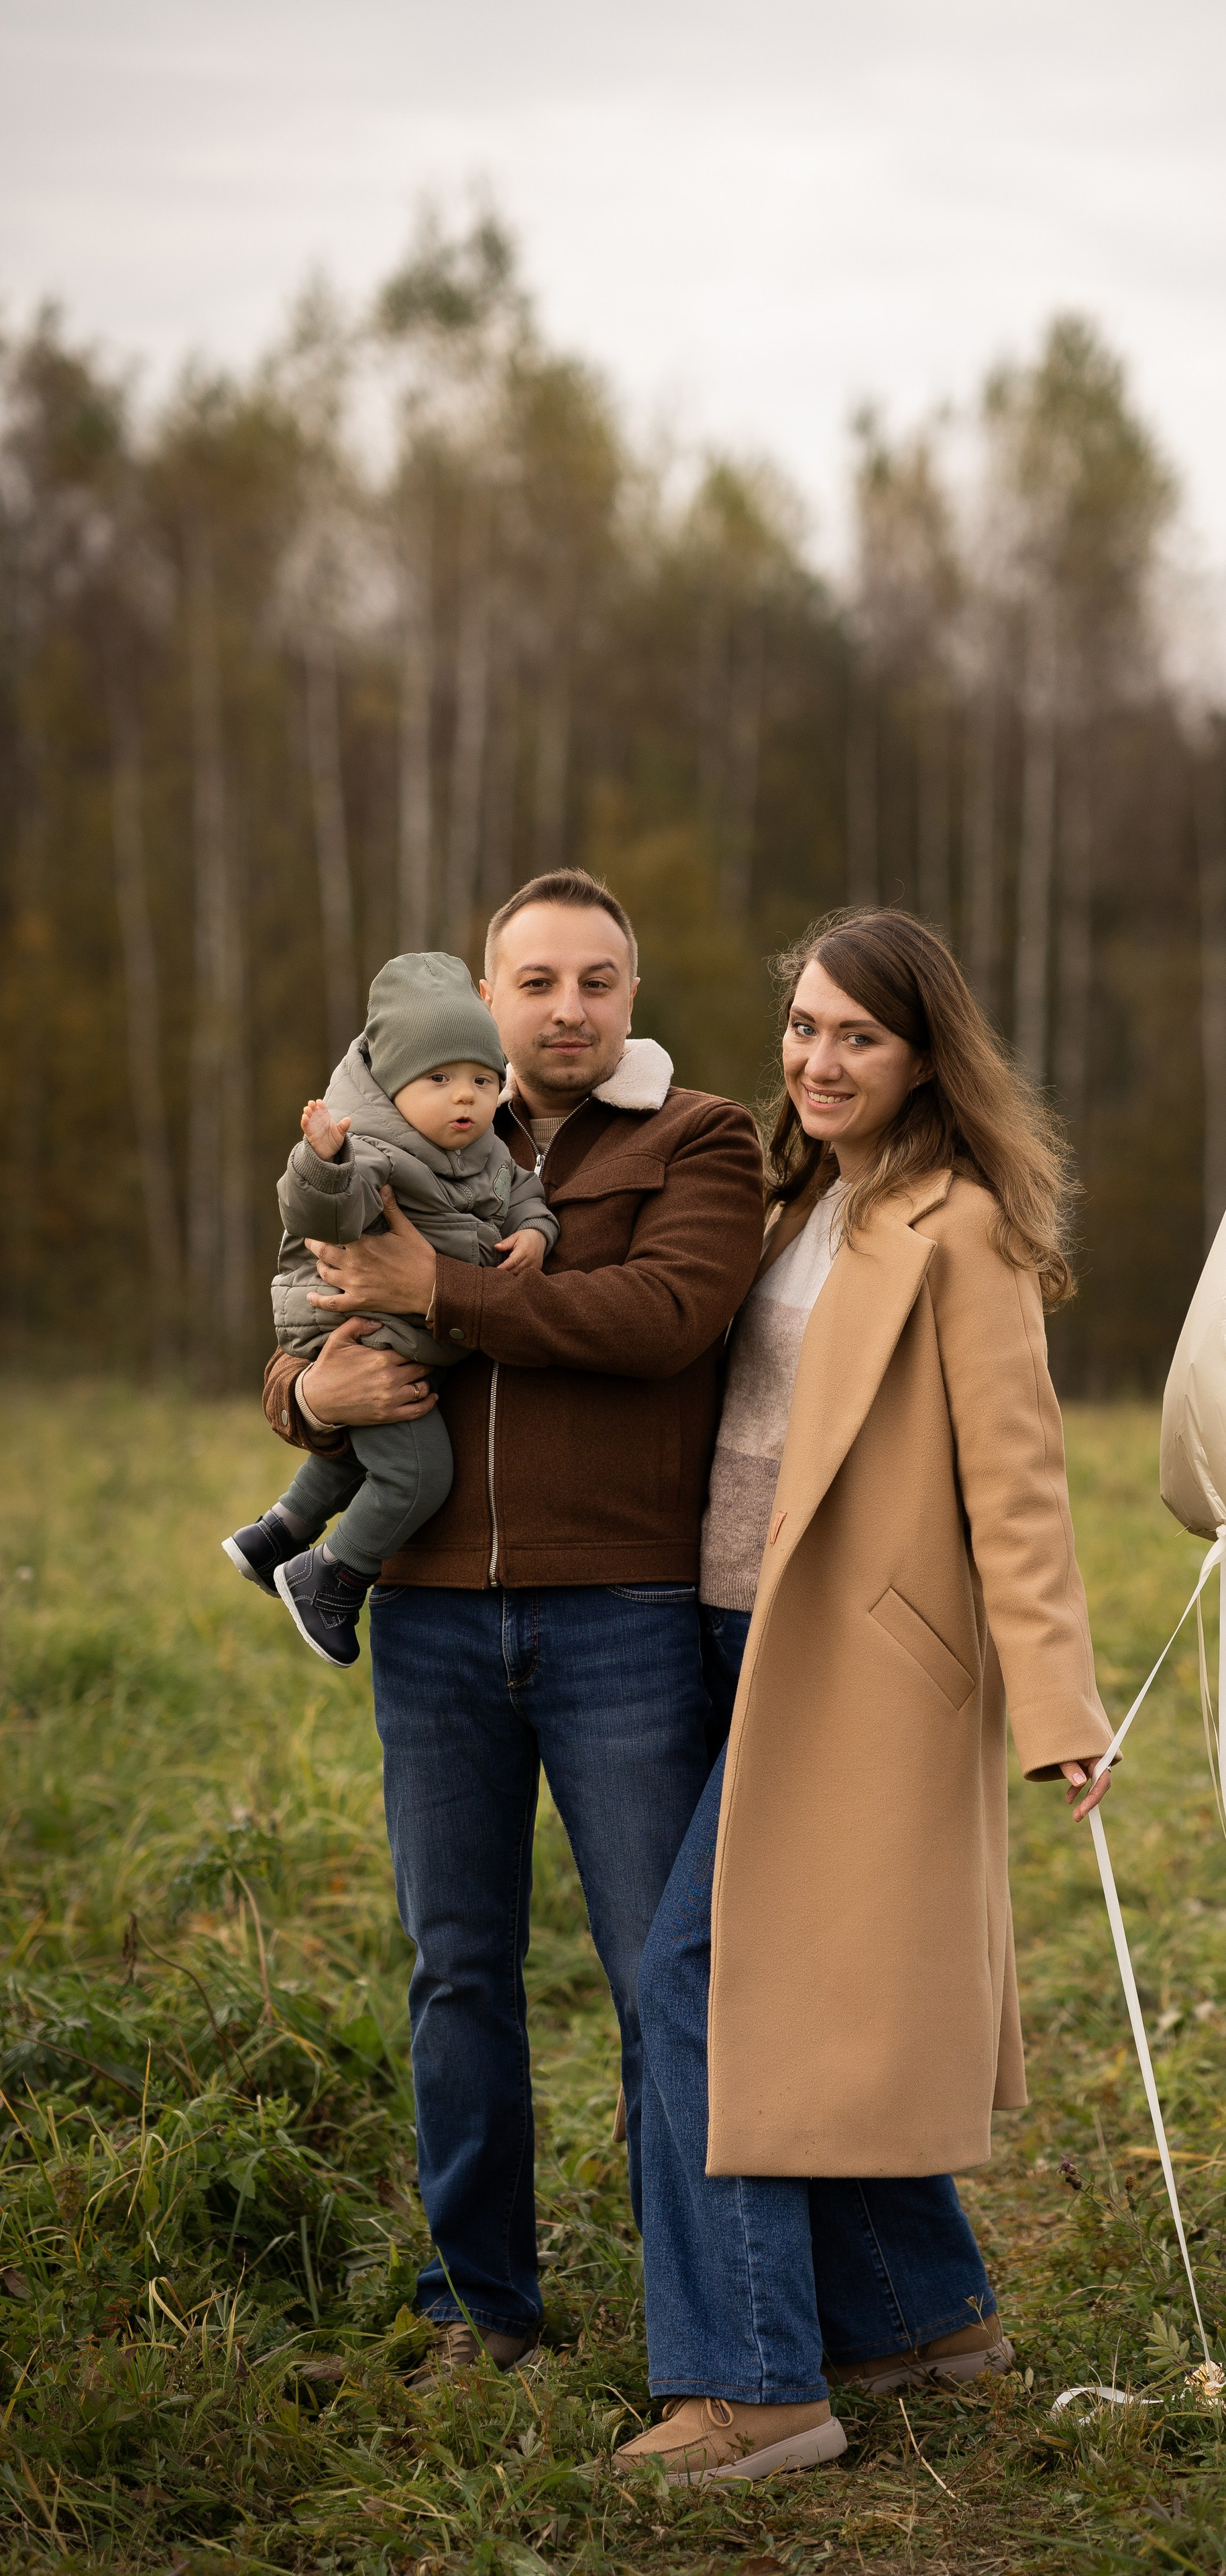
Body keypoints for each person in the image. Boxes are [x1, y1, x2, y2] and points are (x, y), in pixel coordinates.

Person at [616, 908, 1114, 2487]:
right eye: (804, 1027)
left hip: (858, 1666)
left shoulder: (960, 1229)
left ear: (921, 1059)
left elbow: (1016, 1484)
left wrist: (1059, 1707)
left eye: (858, 1037)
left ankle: (753, 2387)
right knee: (802, 1986)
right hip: (722, 1638)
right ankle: (921, 2321)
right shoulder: (787, 1202)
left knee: (701, 1983)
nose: (819, 1060)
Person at [258, 869, 764, 2385]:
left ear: (632, 994)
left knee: (660, 1978)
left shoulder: (699, 1139)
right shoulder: (392, 1137)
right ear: (484, 995)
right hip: (425, 1621)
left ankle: (710, 2331)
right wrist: (309, 1394)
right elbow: (307, 1311)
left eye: (597, 980)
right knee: (457, 1971)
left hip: (622, 1615)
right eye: (534, 981)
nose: (566, 1009)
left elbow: (660, 1320)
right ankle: (476, 2311)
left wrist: (443, 1286)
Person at [225, 951, 558, 1668]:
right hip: (361, 1331)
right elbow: (327, 1216)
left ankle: (277, 1533)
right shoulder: (372, 1149)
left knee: (367, 1451)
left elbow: (522, 1192)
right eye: (439, 1079)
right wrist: (325, 1162)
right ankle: (332, 1576)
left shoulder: (485, 1151)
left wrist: (535, 1232)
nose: (464, 1097)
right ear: (393, 1084)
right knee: (417, 1473)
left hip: (410, 1337)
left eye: (481, 1080)